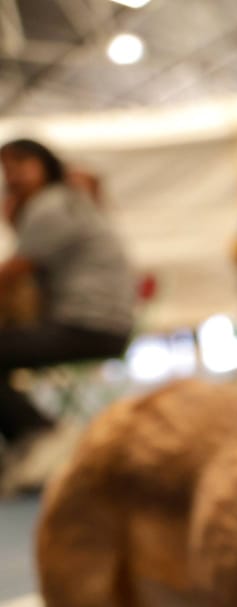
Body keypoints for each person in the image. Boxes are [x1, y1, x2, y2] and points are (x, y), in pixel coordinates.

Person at [0, 138, 135, 493]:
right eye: (6, 168)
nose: (11, 175)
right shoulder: (68, 202)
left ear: (46, 165)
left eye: (20, 164)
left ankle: (42, 435)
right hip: (101, 324)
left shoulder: (52, 205)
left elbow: (12, 273)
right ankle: (33, 441)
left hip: (88, 326)